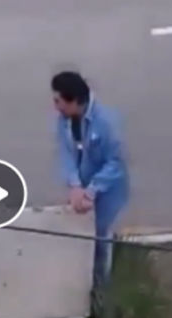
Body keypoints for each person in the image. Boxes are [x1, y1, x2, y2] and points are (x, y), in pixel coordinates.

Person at [51, 71, 130, 293]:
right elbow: (66, 154)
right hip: (82, 190)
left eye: (58, 101)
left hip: (107, 194)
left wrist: (92, 190)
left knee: (102, 242)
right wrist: (75, 185)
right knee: (82, 239)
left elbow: (116, 163)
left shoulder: (107, 123)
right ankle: (85, 287)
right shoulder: (64, 121)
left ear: (75, 101)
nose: (55, 106)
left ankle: (101, 292)